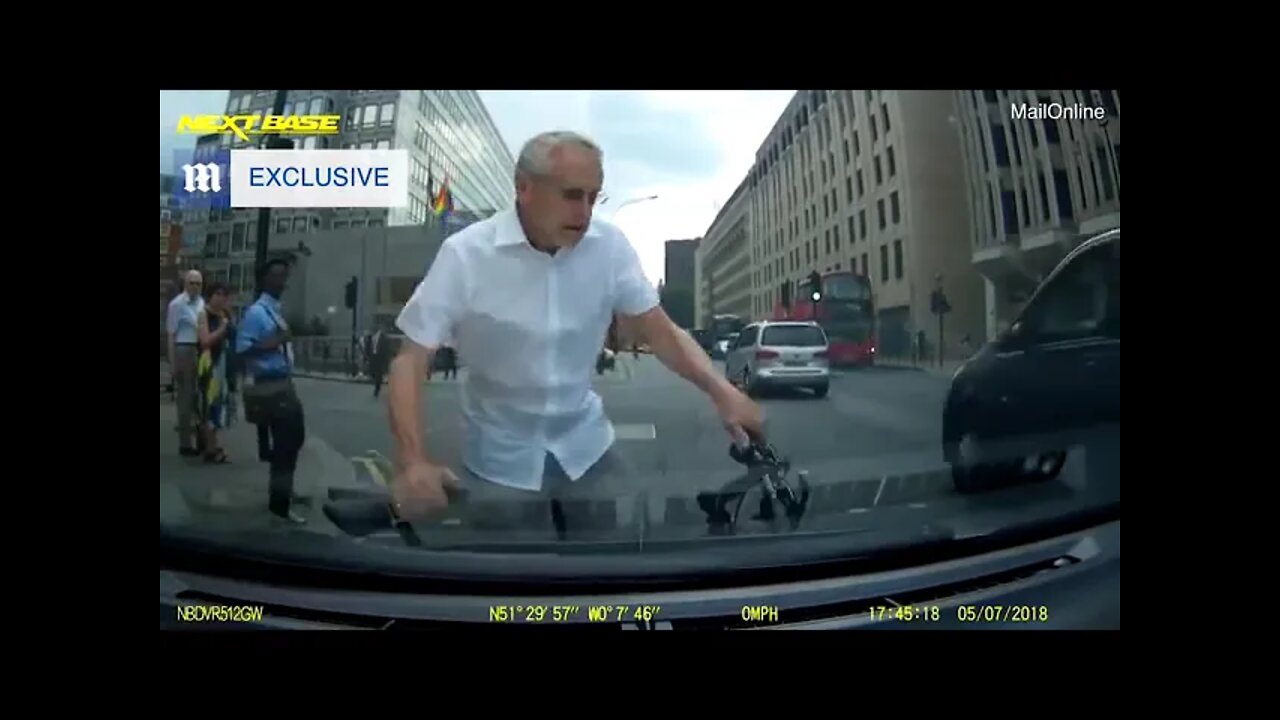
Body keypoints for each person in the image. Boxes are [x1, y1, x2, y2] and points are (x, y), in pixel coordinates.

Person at [387, 130, 764, 524]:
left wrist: (722, 392)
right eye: (570, 195)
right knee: (509, 576)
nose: (584, 213)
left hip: (586, 450)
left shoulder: (609, 247)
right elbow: (409, 361)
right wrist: (413, 461)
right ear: (523, 188)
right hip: (501, 463)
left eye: (592, 196)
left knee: (617, 561)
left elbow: (659, 330)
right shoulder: (465, 256)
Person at [236, 259, 307, 524]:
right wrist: (275, 341)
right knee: (288, 442)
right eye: (276, 276)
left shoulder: (273, 310)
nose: (282, 282)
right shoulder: (256, 313)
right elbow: (242, 349)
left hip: (282, 383)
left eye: (284, 276)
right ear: (264, 280)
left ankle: (282, 491)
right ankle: (280, 504)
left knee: (292, 441)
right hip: (271, 386)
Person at [167, 270, 205, 457]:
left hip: (201, 349)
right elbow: (171, 334)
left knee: (200, 397)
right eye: (192, 283)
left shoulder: (202, 303)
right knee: (185, 397)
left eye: (198, 283)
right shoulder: (176, 304)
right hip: (184, 347)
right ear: (185, 283)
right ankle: (185, 443)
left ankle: (201, 438)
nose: (195, 287)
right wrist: (172, 363)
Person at [196, 282, 235, 463]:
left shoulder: (225, 314)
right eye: (217, 294)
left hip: (224, 364)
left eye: (224, 295)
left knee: (220, 404)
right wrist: (222, 328)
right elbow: (205, 341)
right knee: (210, 403)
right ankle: (209, 447)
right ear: (210, 296)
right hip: (210, 364)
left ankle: (212, 443)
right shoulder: (204, 314)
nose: (220, 298)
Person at [369, 321, 392, 398]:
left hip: (380, 357)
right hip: (373, 357)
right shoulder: (372, 336)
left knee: (379, 374)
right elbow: (370, 346)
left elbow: (387, 348)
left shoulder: (384, 337)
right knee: (375, 373)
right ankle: (378, 384)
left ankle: (377, 389)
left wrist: (386, 359)